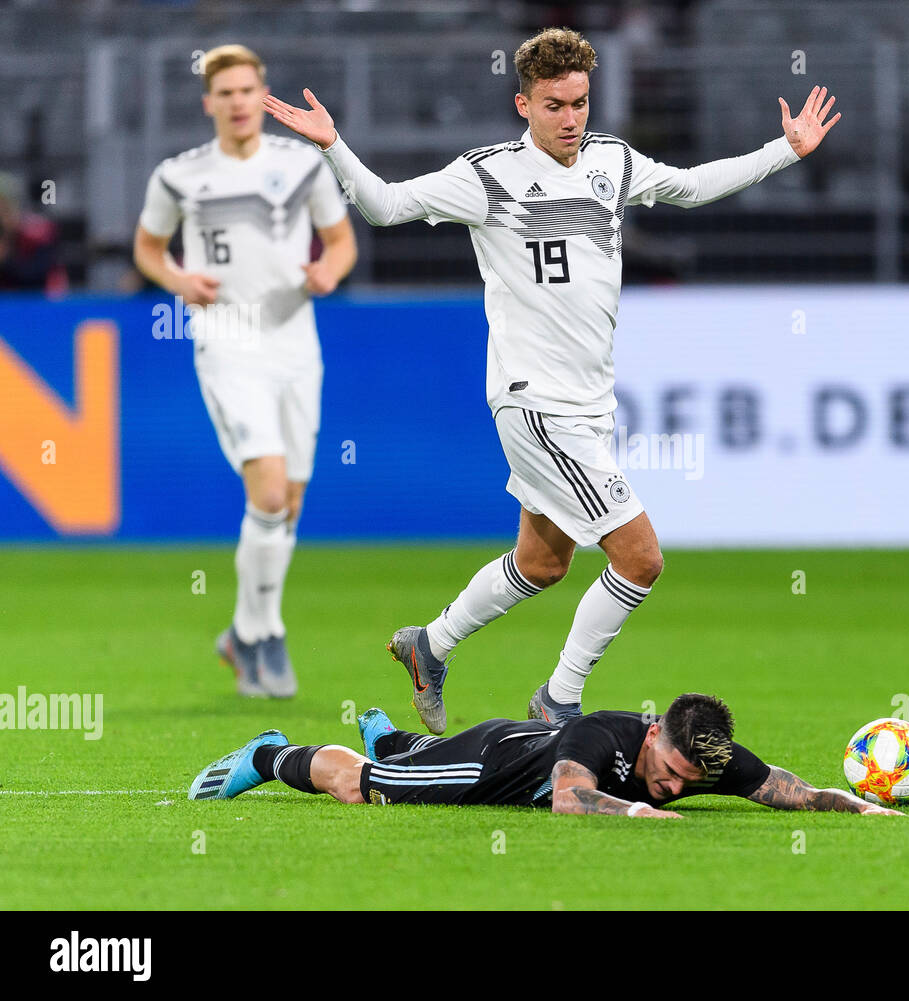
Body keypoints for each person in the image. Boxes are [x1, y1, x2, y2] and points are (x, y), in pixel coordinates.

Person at [261, 27, 840, 729]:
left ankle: (429, 645)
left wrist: (786, 150)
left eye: (581, 102)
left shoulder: (613, 163)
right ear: (523, 104)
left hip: (590, 402)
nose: (571, 119)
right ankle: (559, 699)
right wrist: (332, 145)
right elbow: (383, 205)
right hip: (534, 401)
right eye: (555, 104)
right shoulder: (486, 175)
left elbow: (690, 188)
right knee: (641, 557)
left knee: (542, 562)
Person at [134, 44, 357, 697]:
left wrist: (329, 272)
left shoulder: (300, 166)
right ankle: (265, 634)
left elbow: (341, 240)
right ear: (208, 102)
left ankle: (242, 630)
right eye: (224, 92)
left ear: (262, 96)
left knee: (288, 501)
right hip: (227, 340)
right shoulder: (179, 176)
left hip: (295, 340)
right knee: (265, 491)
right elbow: (148, 248)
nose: (236, 102)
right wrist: (178, 278)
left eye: (246, 90)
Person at [188, 691, 902, 818]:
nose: (676, 789)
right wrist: (634, 811)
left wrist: (864, 806)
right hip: (495, 763)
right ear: (653, 734)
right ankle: (275, 753)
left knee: (409, 757)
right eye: (671, 774)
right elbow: (567, 796)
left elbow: (792, 788)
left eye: (690, 782)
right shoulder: (604, 735)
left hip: (516, 742)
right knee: (360, 787)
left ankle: (395, 739)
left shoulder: (704, 752)